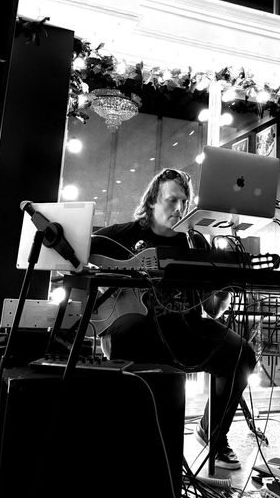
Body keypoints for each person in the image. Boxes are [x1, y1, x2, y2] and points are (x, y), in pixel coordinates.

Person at [92, 168, 256, 470]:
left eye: (184, 202)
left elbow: (212, 310)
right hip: (135, 330)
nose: (179, 208)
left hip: (184, 329)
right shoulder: (122, 235)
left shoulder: (195, 242)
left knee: (241, 354)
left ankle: (212, 433)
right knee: (133, 334)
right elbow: (77, 255)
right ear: (152, 201)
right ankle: (143, 445)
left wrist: (225, 286)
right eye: (171, 200)